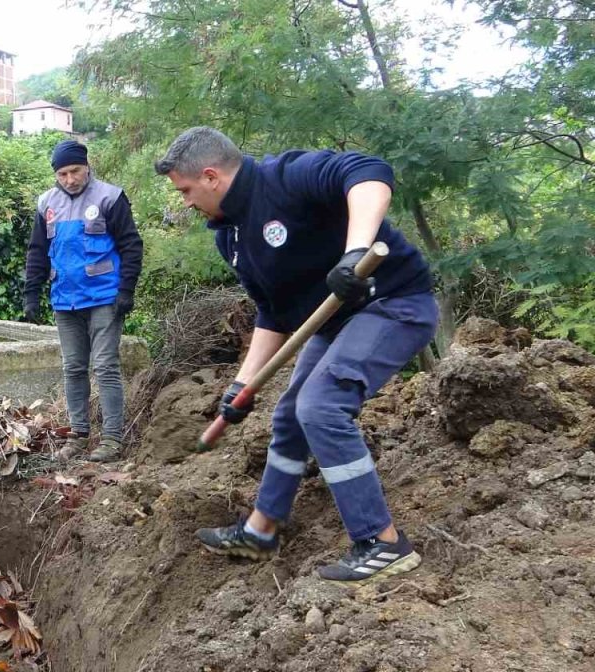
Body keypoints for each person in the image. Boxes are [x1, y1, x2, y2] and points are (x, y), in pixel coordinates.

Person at [155, 127, 437, 585]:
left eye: (186, 190)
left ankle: (382, 542)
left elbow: (368, 172)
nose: (186, 202)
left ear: (210, 176)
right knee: (289, 415)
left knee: (321, 407)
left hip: (393, 304)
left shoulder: (285, 178)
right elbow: (273, 313)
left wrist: (356, 254)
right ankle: (259, 531)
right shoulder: (232, 237)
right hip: (336, 321)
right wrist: (242, 386)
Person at [23, 139, 143, 463]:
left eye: (74, 171)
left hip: (105, 297)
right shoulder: (46, 204)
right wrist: (31, 293)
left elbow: (131, 245)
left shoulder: (110, 197)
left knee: (105, 366)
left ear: (86, 166)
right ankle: (78, 435)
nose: (69, 179)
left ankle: (113, 439)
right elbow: (37, 251)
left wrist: (126, 290)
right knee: (73, 367)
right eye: (62, 174)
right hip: (65, 300)